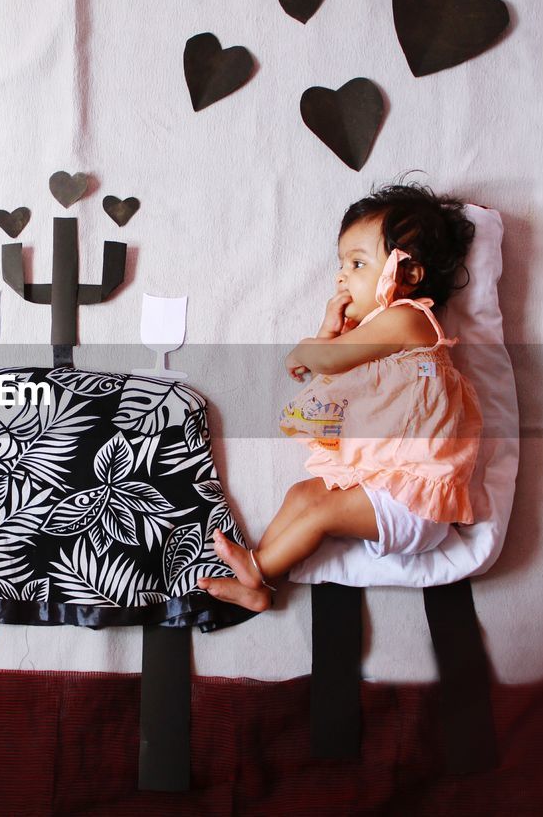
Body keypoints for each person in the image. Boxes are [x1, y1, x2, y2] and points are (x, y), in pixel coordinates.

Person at [198, 182, 484, 612]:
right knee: (302, 495)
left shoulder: (409, 320)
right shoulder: (378, 332)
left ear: (407, 274)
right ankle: (262, 578)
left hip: (415, 503)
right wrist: (327, 338)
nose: (341, 276)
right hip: (386, 485)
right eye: (342, 264)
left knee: (320, 514)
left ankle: (256, 573)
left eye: (357, 263)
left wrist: (313, 344)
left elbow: (329, 361)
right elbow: (334, 364)